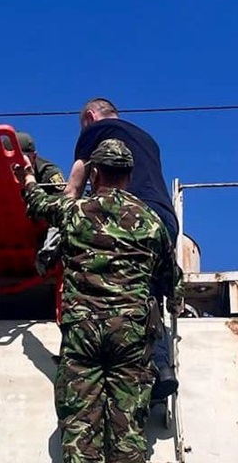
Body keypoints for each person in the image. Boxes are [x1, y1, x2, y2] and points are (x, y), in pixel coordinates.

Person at [15, 139, 183, 463]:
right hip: (130, 337)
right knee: (126, 426)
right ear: (129, 176)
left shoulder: (74, 212)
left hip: (82, 334)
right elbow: (171, 284)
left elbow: (36, 203)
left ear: (95, 174)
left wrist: (30, 176)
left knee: (80, 423)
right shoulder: (150, 222)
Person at [61, 98, 180, 401]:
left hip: (128, 215)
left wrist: (66, 217)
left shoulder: (96, 131)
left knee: (109, 289)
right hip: (163, 219)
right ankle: (161, 367)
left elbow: (75, 185)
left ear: (90, 116)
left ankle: (107, 362)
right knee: (147, 292)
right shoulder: (147, 139)